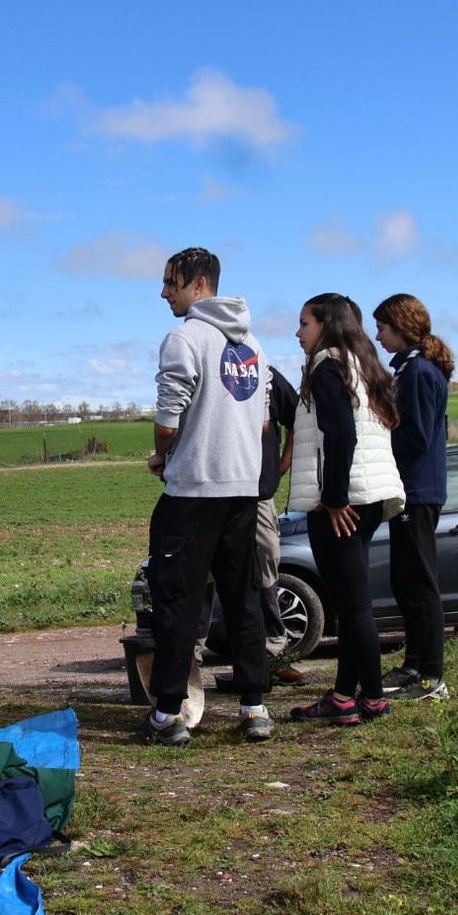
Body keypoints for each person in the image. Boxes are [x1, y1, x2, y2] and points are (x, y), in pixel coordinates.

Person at [143, 247, 271, 746]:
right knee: (245, 601)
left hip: (193, 491)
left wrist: (161, 456)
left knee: (176, 603)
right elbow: (261, 422)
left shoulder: (184, 338)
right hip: (244, 490)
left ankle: (168, 714)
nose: (163, 292)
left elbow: (167, 420)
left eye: (170, 282)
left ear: (199, 284)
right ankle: (255, 708)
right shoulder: (254, 342)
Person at [287, 293, 405, 726]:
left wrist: (334, 498)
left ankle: (371, 698)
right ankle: (342, 697)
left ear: (327, 325)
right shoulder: (364, 365)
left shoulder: (326, 366)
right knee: (355, 603)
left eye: (304, 323)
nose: (298, 332)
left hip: (343, 500)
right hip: (373, 496)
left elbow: (341, 435)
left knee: (354, 608)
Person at [373, 293, 454, 702]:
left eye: (383, 328)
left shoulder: (419, 372)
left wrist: (381, 431)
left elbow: (417, 436)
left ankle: (432, 676)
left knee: (421, 583)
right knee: (404, 580)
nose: (378, 336)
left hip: (418, 489)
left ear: (402, 327)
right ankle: (414, 661)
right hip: (409, 488)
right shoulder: (409, 369)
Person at [258, 365, 305, 685]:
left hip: (259, 496)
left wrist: (284, 461)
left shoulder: (265, 374)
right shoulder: (204, 366)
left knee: (266, 569)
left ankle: (273, 655)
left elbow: (298, 418)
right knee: (207, 578)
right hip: (213, 497)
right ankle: (191, 658)